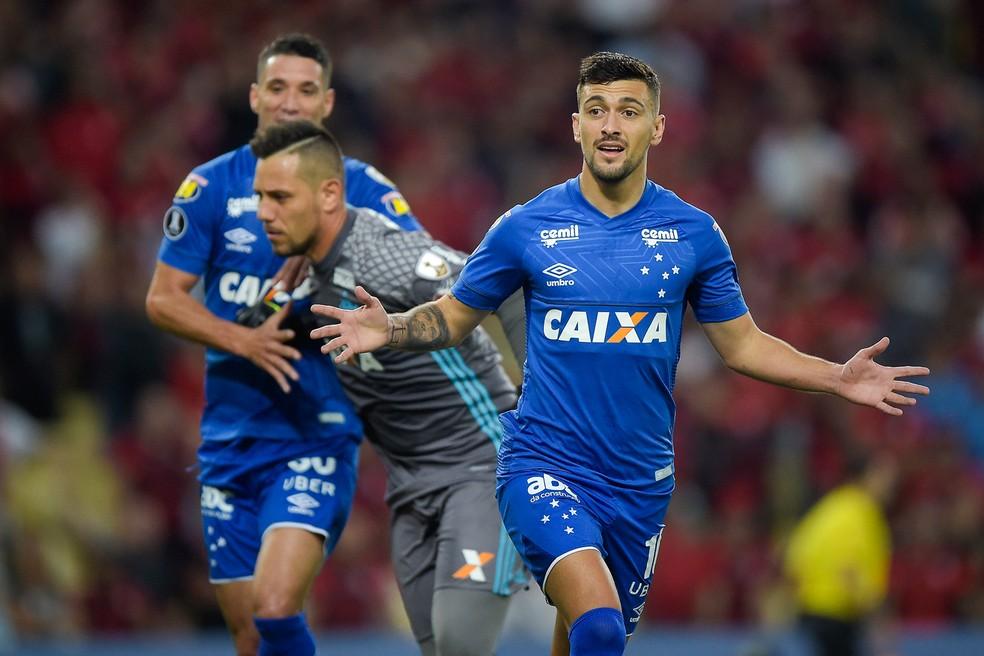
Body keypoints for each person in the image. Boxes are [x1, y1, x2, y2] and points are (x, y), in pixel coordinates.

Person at [309, 51, 931, 656]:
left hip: (639, 484)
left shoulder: (694, 234)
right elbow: (453, 316)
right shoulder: (525, 227)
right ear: (576, 124)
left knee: (586, 633)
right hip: (543, 463)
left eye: (629, 110)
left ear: (656, 127)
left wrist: (835, 377)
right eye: (597, 110)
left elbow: (741, 344)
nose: (611, 124)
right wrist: (390, 329)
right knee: (601, 627)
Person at [145, 33, 420, 656]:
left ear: (325, 104)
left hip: (316, 433)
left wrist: (343, 266)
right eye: (276, 88)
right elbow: (162, 298)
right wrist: (242, 339)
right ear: (254, 97)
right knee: (248, 635)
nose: (289, 102)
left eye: (304, 90)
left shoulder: (361, 188)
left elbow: (419, 276)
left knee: (274, 608)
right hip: (229, 440)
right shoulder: (211, 187)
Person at [243, 120, 528, 655]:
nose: (264, 212)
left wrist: (543, 405)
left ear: (329, 195)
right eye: (260, 197)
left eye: (280, 197)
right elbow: (256, 333)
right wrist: (269, 307)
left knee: (462, 644)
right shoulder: (300, 277)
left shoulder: (385, 257)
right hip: (409, 488)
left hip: (483, 467)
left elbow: (506, 284)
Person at [784, 455, 897, 656]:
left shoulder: (830, 507)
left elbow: (795, 555)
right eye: (883, 475)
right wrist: (877, 623)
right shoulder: (860, 513)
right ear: (864, 476)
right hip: (836, 617)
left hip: (811, 614)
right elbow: (850, 572)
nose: (891, 483)